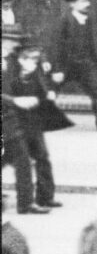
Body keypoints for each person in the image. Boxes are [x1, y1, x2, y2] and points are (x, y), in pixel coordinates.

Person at [4, 30, 66, 215]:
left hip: (28, 117)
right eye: (8, 40)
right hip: (12, 118)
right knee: (20, 159)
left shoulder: (21, 59)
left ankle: (43, 197)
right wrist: (15, 99)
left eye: (13, 41)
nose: (11, 44)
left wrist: (48, 93)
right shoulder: (12, 62)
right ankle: (27, 202)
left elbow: (39, 80)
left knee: (39, 156)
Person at [49, 0, 97, 133]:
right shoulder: (64, 20)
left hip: (85, 64)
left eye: (88, 1)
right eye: (83, 1)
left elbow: (90, 44)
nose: (87, 4)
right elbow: (56, 46)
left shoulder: (88, 20)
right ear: (72, 4)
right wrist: (57, 69)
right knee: (48, 90)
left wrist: (95, 65)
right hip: (66, 65)